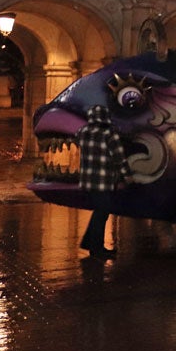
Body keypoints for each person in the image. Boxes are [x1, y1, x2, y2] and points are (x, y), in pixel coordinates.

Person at [76, 104, 130, 260]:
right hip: (103, 181)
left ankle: (91, 244)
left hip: (87, 181)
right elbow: (119, 158)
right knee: (102, 213)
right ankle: (96, 249)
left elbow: (77, 138)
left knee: (99, 212)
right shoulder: (109, 134)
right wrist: (127, 176)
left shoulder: (83, 132)